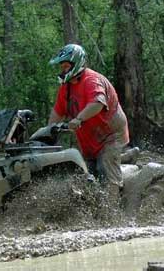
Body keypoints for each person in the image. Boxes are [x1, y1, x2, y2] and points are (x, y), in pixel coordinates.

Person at [48, 44, 130, 201]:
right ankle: (94, 212)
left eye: (66, 66)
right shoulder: (66, 87)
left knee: (105, 167)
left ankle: (111, 214)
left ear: (76, 63)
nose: (63, 70)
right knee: (86, 175)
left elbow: (98, 103)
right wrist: (48, 131)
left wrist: (78, 118)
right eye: (62, 66)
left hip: (110, 136)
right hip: (89, 141)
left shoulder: (91, 80)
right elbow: (57, 112)